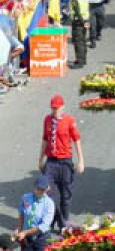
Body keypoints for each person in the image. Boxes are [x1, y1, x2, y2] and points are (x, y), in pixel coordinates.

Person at [39, 95, 84, 233]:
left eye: (57, 108)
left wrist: (81, 160)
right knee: (47, 193)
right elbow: (45, 140)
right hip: (51, 162)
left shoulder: (69, 120)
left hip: (65, 162)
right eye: (53, 108)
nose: (54, 110)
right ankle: (57, 220)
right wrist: (41, 159)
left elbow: (77, 140)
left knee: (66, 196)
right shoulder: (47, 120)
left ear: (62, 107)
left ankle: (63, 222)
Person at [15, 175, 55, 250]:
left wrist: (25, 232)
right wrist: (19, 230)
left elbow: (43, 226)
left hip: (42, 238)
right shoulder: (25, 198)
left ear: (46, 190)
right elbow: (21, 214)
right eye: (38, 188)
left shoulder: (49, 204)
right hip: (27, 238)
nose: (39, 191)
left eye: (42, 189)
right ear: (34, 186)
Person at [69, 0, 89, 69]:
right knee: (83, 41)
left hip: (78, 22)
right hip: (85, 19)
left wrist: (82, 22)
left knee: (78, 42)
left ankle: (80, 62)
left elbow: (77, 12)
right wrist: (86, 22)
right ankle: (83, 59)